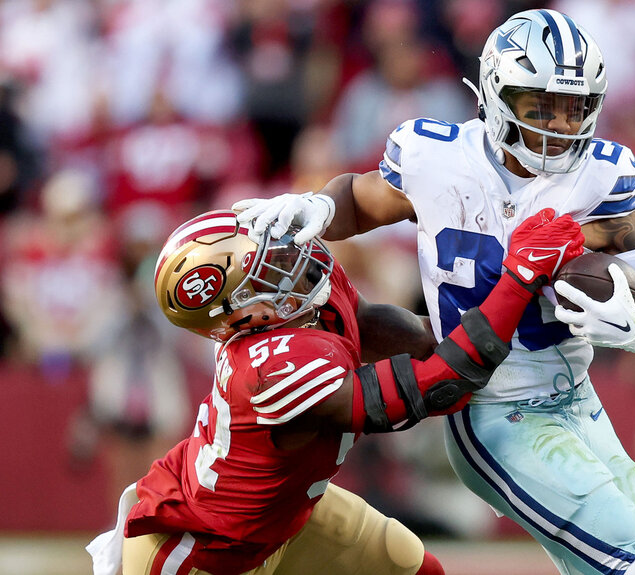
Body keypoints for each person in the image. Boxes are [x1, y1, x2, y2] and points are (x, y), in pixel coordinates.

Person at [234, 9, 635, 575]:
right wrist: (321, 205)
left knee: (626, 559)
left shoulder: (599, 180)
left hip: (577, 401)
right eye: (540, 106)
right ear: (498, 95)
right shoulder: (438, 157)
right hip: (494, 409)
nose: (559, 126)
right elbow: (360, 200)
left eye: (573, 107)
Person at [87, 206, 585, 575]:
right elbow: (436, 389)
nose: (291, 258)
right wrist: (517, 281)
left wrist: (493, 331)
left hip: (288, 517)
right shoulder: (270, 368)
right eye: (266, 267)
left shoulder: (302, 297)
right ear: (239, 310)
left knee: (408, 565)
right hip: (205, 550)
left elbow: (371, 325)